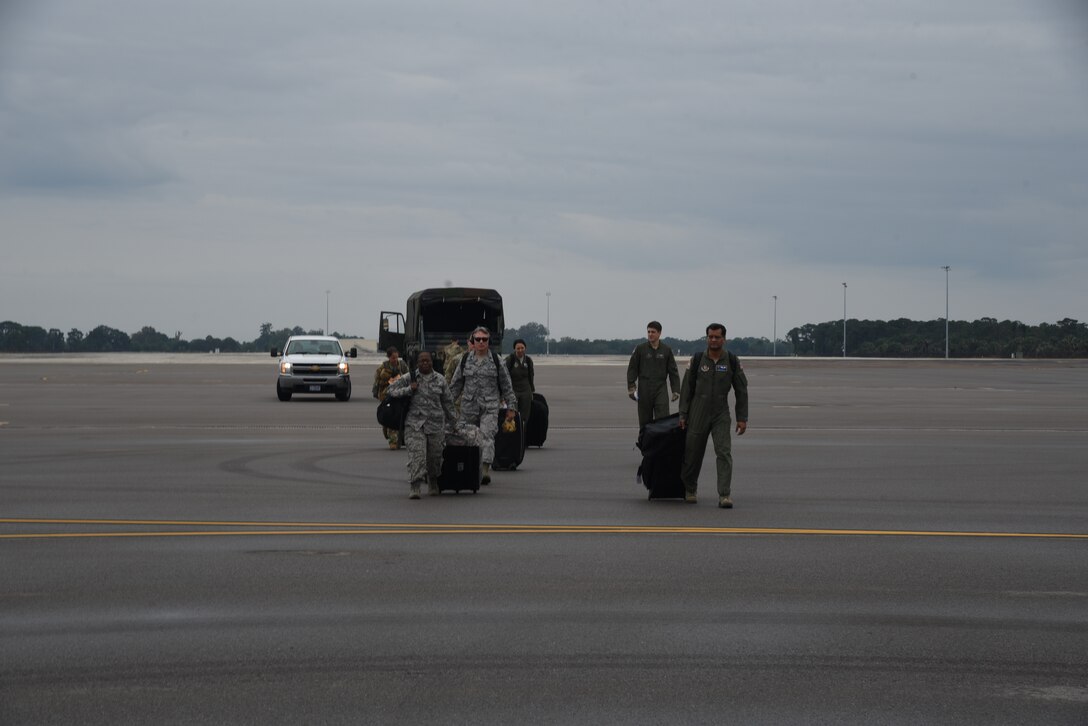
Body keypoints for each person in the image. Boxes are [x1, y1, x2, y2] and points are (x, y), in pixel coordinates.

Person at [678, 323, 748, 508]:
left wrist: (742, 417)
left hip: (720, 413)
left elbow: (741, 390)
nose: (713, 340)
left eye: (717, 337)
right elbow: (686, 389)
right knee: (693, 453)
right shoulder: (698, 359)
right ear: (707, 338)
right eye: (710, 337)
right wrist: (683, 414)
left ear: (724, 339)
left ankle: (724, 495)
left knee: (724, 452)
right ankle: (690, 489)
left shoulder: (731, 360)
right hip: (697, 412)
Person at [449, 325, 517, 485]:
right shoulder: (465, 360)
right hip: (469, 407)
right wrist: (447, 405)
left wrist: (511, 408)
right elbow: (455, 385)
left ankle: (485, 470)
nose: (480, 342)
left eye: (484, 339)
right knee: (467, 438)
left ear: (488, 341)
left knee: (487, 436)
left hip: (490, 407)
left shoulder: (496, 361)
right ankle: (469, 469)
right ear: (473, 341)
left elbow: (507, 385)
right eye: (477, 339)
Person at [384, 351, 457, 499]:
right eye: (422, 361)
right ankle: (415, 486)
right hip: (415, 425)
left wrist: (454, 422)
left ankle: (433, 482)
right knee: (417, 456)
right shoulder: (409, 378)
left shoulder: (440, 380)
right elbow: (390, 390)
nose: (425, 363)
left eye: (427, 360)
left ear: (432, 362)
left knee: (435, 457)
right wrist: (409, 389)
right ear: (417, 363)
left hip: (436, 425)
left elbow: (448, 403)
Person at [626, 320, 681, 427]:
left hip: (661, 388)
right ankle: (644, 443)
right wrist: (631, 388)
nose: (650, 334)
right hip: (644, 388)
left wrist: (676, 390)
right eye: (649, 332)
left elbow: (673, 371)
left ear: (659, 333)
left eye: (653, 332)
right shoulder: (640, 349)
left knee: (663, 419)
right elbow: (632, 369)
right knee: (645, 421)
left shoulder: (666, 350)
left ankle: (662, 443)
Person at [373, 346, 409, 449]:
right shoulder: (383, 367)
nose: (395, 360)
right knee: (388, 416)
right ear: (389, 357)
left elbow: (408, 376)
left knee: (400, 416)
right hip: (386, 395)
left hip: (400, 394)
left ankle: (400, 439)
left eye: (396, 357)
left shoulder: (402, 365)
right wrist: (388, 378)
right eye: (393, 358)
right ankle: (392, 439)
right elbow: (377, 380)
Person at [504, 338, 535, 424]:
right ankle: (514, 435)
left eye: (522, 348)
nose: (520, 350)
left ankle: (523, 434)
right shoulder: (510, 359)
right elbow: (504, 377)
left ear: (525, 348)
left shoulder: (528, 360)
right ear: (514, 349)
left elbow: (531, 376)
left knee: (525, 417)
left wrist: (532, 391)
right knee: (513, 415)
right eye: (518, 348)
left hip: (526, 391)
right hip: (513, 391)